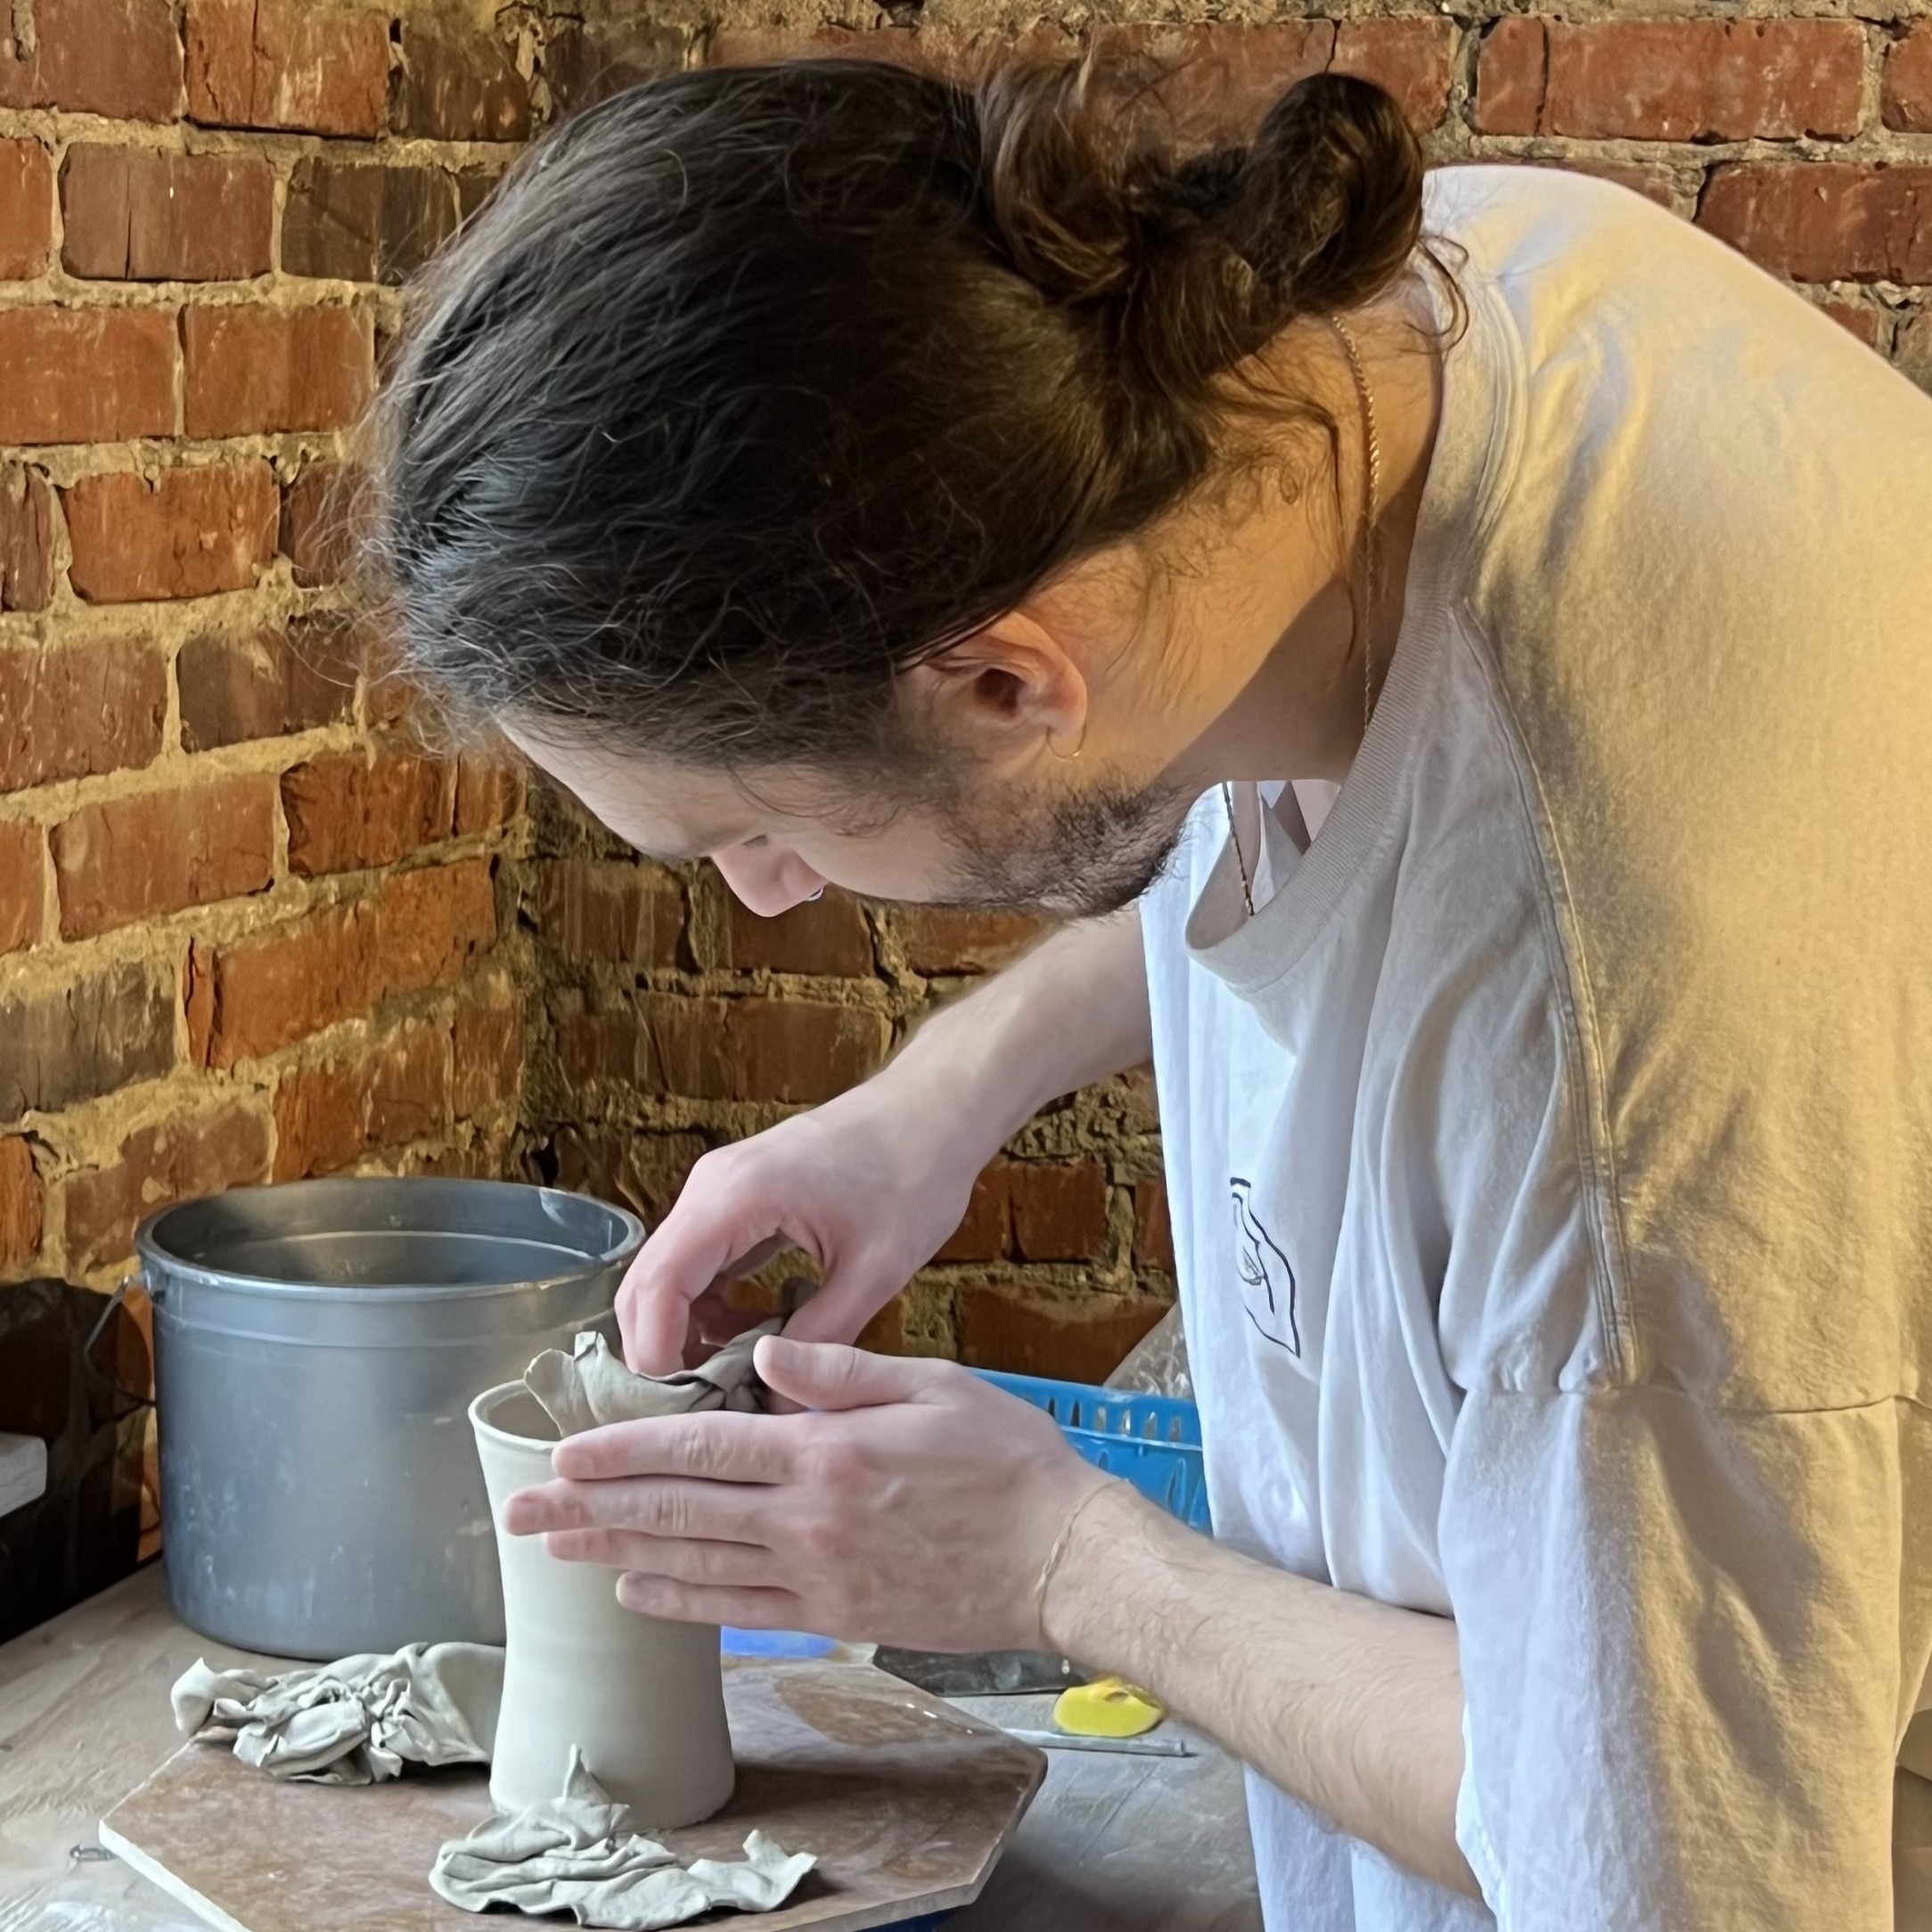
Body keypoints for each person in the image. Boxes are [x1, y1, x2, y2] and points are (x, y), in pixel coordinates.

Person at [367, 51, 1932, 1931]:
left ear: (1006, 686)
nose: (764, 898)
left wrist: (1071, 1566)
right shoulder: (1375, 331)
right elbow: (1258, 785)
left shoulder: (1631, 1049)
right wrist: (934, 1098)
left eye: (753, 829)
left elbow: (1657, 1859)